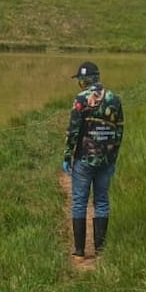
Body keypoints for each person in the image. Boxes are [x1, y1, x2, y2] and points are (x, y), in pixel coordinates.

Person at [62, 61, 124, 257]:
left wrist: (67, 155)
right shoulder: (114, 99)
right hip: (106, 160)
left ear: (84, 80)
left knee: (79, 202)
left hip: (84, 159)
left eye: (80, 79)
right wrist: (113, 158)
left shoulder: (81, 99)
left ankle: (79, 250)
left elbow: (73, 131)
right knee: (102, 201)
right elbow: (119, 130)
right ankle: (100, 250)